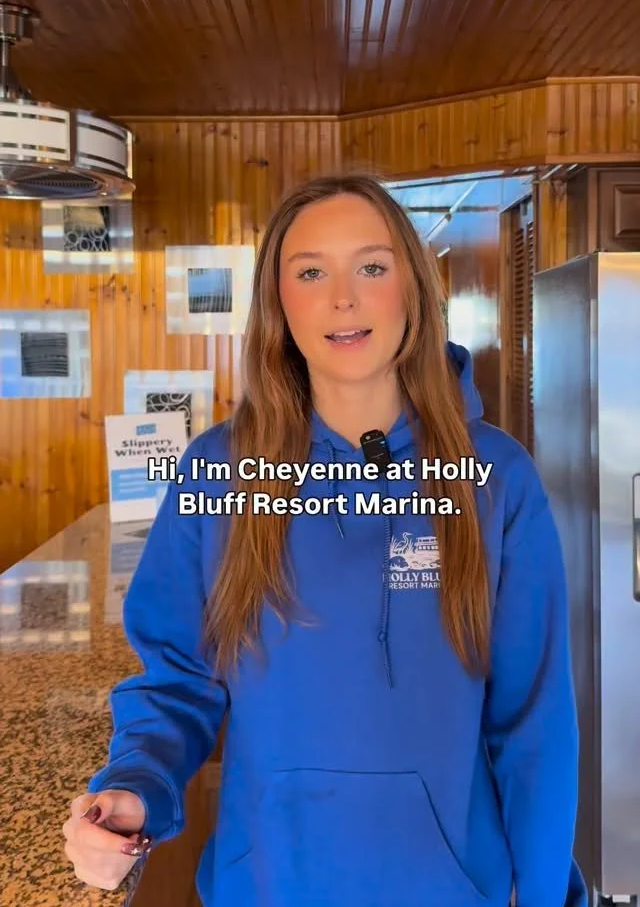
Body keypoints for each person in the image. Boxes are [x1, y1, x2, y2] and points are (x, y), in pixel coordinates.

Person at [62, 171, 588, 906]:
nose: (344, 298)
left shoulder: (496, 477)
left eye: (371, 267)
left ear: (412, 288)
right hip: (268, 885)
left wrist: (543, 892)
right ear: (279, 302)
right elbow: (177, 677)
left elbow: (533, 724)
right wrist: (134, 785)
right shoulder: (219, 470)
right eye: (311, 272)